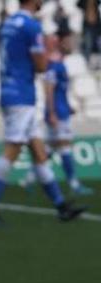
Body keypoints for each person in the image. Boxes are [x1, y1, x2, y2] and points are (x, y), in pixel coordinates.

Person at [0, 0, 87, 227]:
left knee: (38, 151)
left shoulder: (9, 23)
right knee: (12, 149)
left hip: (9, 89)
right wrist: (48, 55)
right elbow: (41, 66)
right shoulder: (31, 26)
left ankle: (61, 206)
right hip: (21, 94)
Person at [43, 35, 92, 196]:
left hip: (62, 110)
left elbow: (60, 90)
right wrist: (52, 112)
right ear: (60, 44)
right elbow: (49, 89)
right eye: (69, 42)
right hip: (57, 112)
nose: (72, 45)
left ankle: (29, 178)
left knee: (53, 146)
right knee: (64, 146)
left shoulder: (60, 65)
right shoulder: (54, 66)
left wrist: (69, 106)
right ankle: (73, 183)